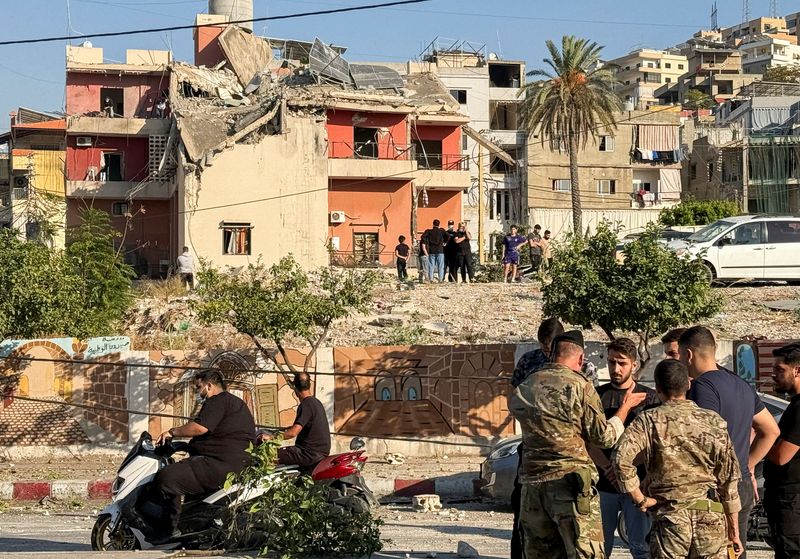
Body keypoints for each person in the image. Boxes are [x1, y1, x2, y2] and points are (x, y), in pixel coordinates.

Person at [509, 330, 647, 559]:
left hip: (532, 489)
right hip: (570, 487)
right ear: (581, 359)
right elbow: (604, 438)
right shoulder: (580, 386)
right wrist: (624, 409)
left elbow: (516, 411)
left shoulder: (527, 384)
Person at [613, 359, 743, 559]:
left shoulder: (649, 420)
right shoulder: (714, 421)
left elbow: (620, 459)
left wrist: (640, 499)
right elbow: (729, 479)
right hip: (710, 517)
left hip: (670, 520)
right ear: (688, 384)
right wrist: (734, 531)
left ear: (657, 389)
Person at [680, 326, 780, 558]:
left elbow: (704, 440)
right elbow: (770, 430)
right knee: (735, 550)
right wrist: (748, 465)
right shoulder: (740, 384)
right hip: (742, 484)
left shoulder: (702, 388)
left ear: (689, 355)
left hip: (715, 488)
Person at [154, 369, 255, 540]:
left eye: (198, 387)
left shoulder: (217, 400)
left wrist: (173, 432)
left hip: (220, 464)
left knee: (167, 478)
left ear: (209, 386)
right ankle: (190, 528)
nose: (197, 392)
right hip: (233, 463)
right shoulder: (234, 402)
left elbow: (200, 428)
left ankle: (168, 531)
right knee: (189, 482)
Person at [589, 338, 659, 559]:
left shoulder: (650, 398)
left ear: (634, 365)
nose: (615, 369)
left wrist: (625, 467)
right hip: (604, 484)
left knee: (641, 547)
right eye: (611, 362)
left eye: (622, 363)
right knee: (600, 548)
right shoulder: (596, 396)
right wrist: (609, 467)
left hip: (638, 486)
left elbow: (654, 443)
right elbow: (589, 439)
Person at [509, 317, 564, 559]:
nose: (546, 352)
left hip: (565, 452)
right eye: (543, 347)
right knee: (523, 507)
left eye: (550, 347)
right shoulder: (529, 361)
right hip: (531, 447)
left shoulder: (578, 365)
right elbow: (515, 398)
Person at [764, 342, 800, 559]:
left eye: (780, 370)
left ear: (797, 370)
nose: (773, 375)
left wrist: (760, 438)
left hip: (791, 500)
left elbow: (781, 456)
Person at [259, 372, 331, 470]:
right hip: (318, 453)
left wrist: (271, 437)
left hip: (307, 454)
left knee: (267, 455)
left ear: (295, 388)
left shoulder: (306, 404)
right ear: (309, 385)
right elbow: (299, 427)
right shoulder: (316, 403)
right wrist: (281, 431)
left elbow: (293, 433)